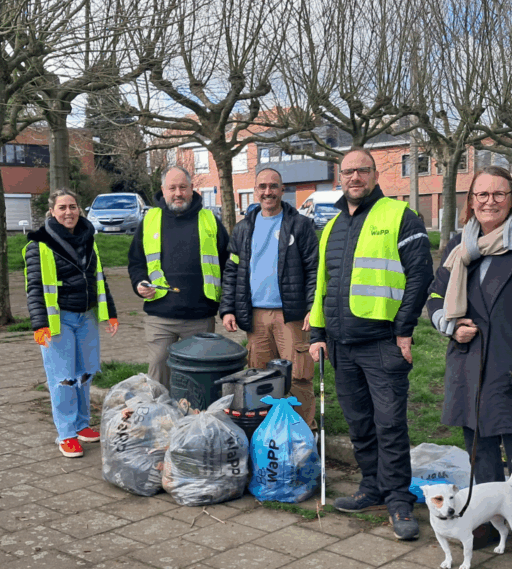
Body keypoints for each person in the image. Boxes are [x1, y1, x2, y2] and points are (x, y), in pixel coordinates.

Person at [426, 166, 512, 565]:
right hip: (469, 363)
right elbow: (434, 297)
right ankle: (484, 520)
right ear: (471, 201)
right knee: (478, 449)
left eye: (499, 194)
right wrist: (450, 326)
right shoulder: (459, 244)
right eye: (481, 194)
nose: (489, 201)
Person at [309, 148, 434, 540]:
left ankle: (398, 500)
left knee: (390, 424)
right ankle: (371, 488)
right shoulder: (331, 227)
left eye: (362, 170)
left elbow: (420, 276)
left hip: (382, 343)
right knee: (360, 424)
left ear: (375, 174)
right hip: (341, 345)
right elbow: (322, 284)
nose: (354, 177)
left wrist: (404, 329)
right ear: (340, 177)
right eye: (348, 171)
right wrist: (317, 334)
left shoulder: (400, 216)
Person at [220, 168, 319, 428]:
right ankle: (265, 433)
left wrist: (312, 307)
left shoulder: (300, 225)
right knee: (260, 378)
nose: (268, 192)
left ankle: (302, 434)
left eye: (273, 186)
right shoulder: (243, 229)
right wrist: (227, 308)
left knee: (298, 377)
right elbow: (231, 270)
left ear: (282, 190)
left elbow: (314, 269)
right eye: (262, 187)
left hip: (292, 315)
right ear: (255, 191)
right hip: (255, 316)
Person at [24, 189, 119, 458]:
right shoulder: (39, 244)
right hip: (59, 320)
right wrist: (39, 324)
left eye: (73, 206)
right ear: (52, 212)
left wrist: (111, 312)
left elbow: (99, 279)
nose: (69, 212)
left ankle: (81, 425)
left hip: (86, 316)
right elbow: (34, 287)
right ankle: (66, 434)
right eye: (62, 207)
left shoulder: (88, 239)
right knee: (63, 378)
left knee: (85, 374)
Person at [128, 167, 229, 389]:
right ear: (163, 190)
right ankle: (160, 412)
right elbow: (136, 262)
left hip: (200, 317)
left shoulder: (209, 220)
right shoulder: (149, 220)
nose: (178, 193)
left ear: (192, 188)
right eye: (172, 188)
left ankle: (193, 412)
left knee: (198, 379)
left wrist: (228, 307)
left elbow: (228, 264)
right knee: (158, 374)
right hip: (160, 317)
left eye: (183, 187)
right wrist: (139, 284)